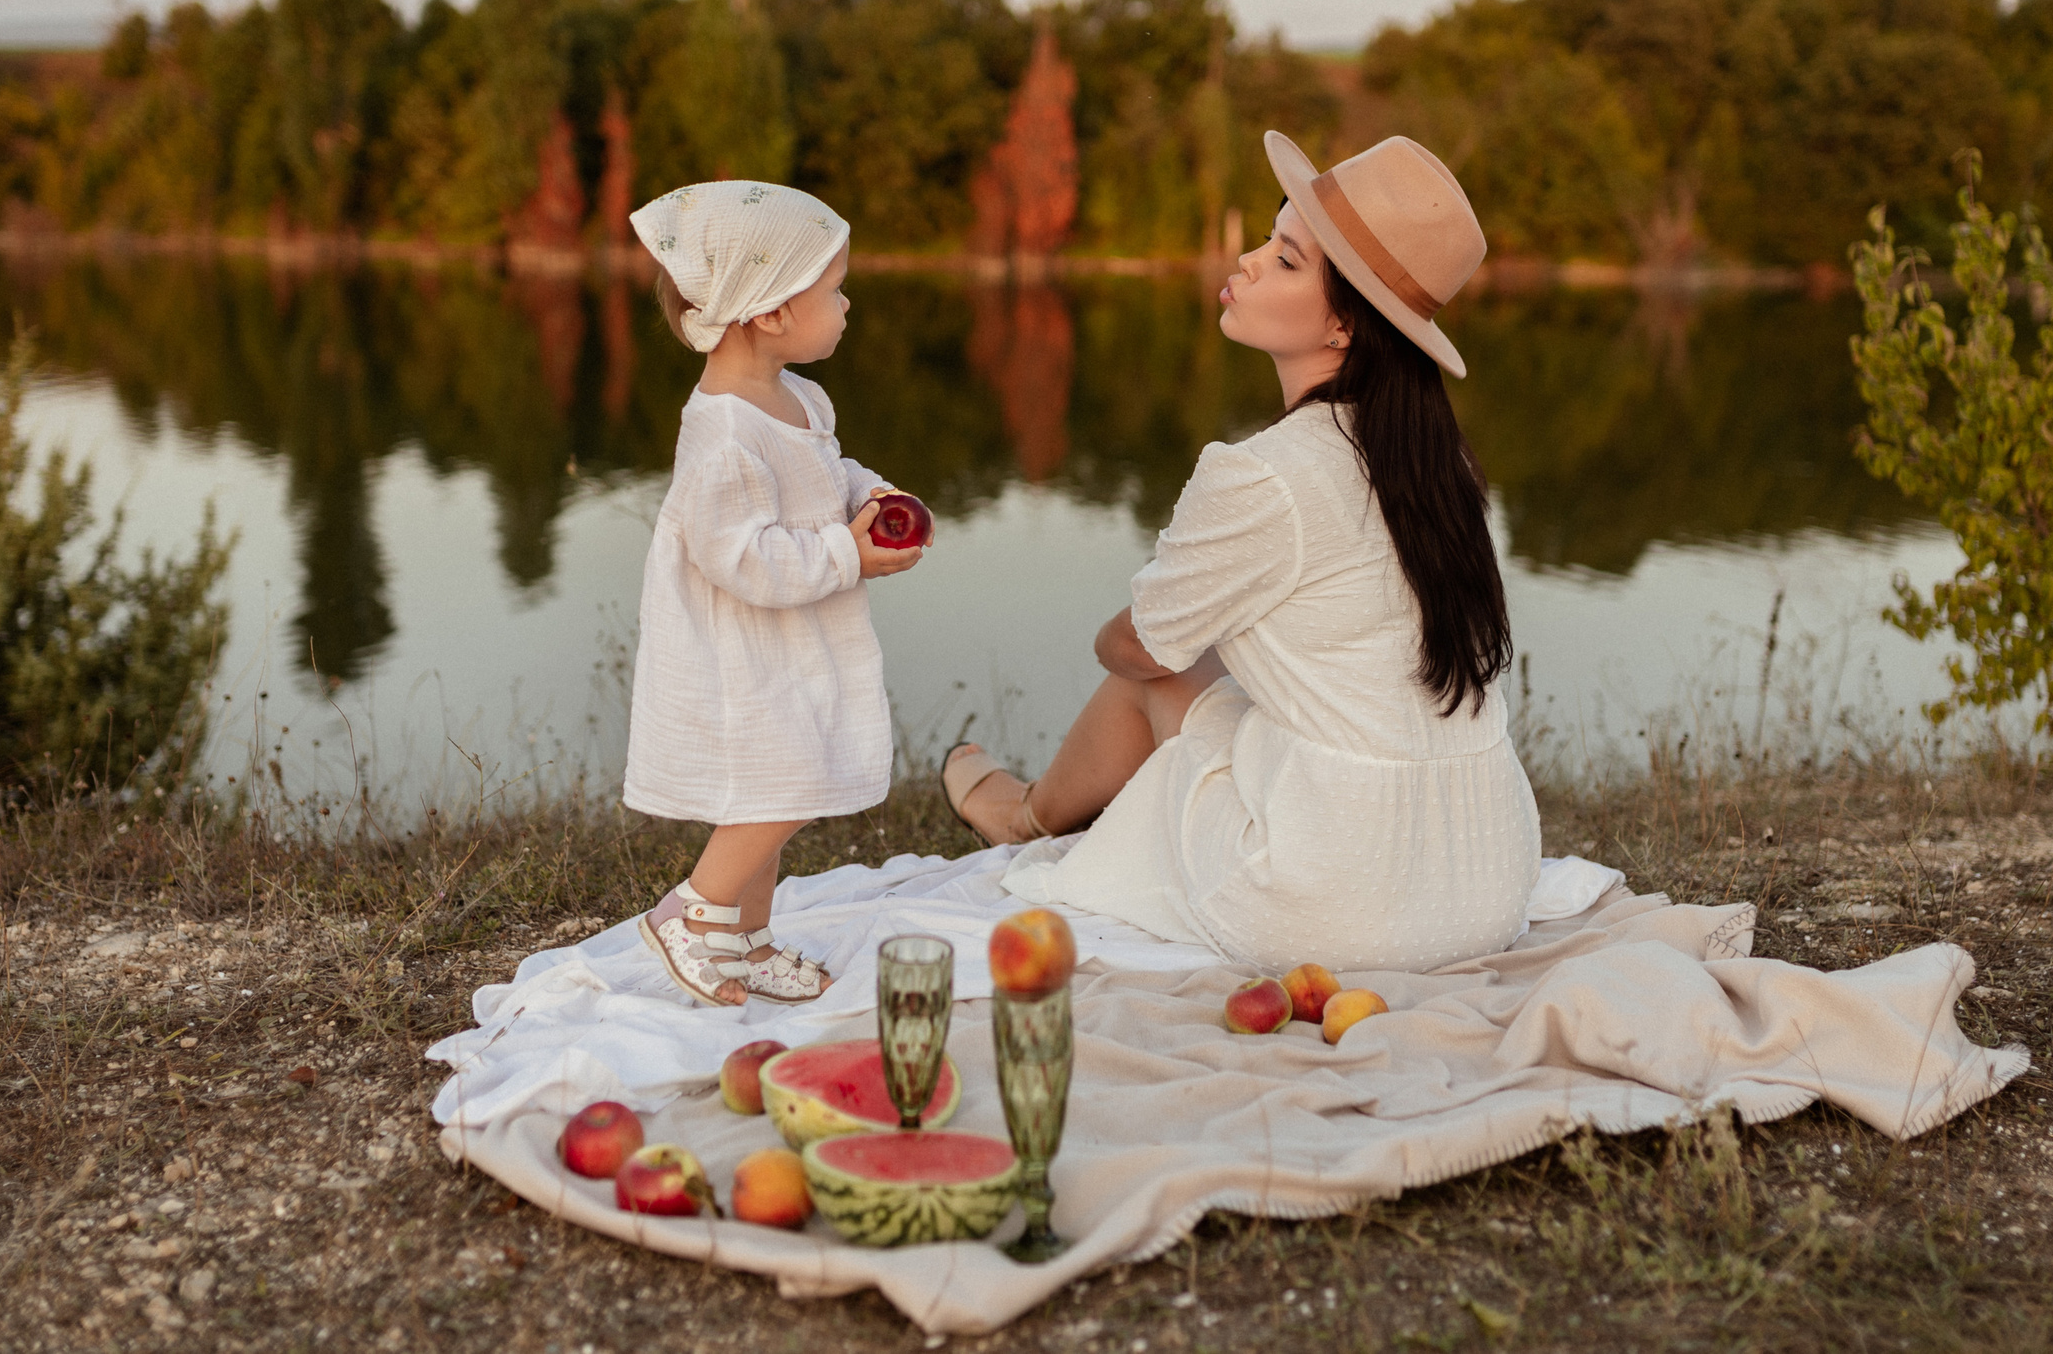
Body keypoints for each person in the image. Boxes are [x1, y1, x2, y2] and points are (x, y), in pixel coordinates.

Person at [946, 132, 1539, 972]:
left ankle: (1027, 819)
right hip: (1486, 878)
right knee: (1242, 686)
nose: (1250, 260)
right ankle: (1034, 811)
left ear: (1343, 325)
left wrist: (1147, 630)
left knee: (1146, 671)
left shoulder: (1262, 475)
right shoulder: (1440, 465)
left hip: (1340, 904)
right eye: (1268, 236)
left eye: (1287, 260)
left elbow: (1142, 645)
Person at [625, 180, 927, 1006]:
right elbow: (741, 559)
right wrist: (848, 555)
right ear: (770, 313)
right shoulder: (723, 431)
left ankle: (746, 939)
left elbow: (827, 475)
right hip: (740, 642)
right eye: (832, 290)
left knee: (783, 777)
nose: (847, 302)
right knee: (783, 779)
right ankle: (691, 913)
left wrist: (871, 499)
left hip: (793, 635)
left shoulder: (798, 398)